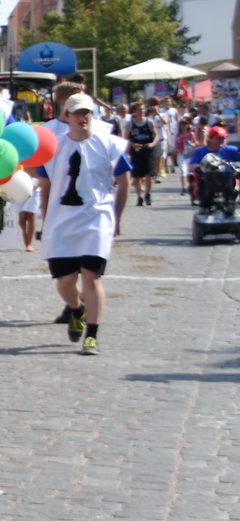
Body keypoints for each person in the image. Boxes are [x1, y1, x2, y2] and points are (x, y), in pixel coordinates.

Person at [37, 93, 130, 356]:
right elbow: (44, 187)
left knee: (92, 276)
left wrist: (117, 216)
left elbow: (124, 181)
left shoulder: (109, 144)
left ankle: (92, 334)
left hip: (95, 218)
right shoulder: (53, 147)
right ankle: (77, 310)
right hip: (62, 221)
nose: (83, 117)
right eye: (77, 112)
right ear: (66, 116)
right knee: (65, 282)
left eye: (87, 112)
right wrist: (46, 220)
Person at [122, 102, 159, 206]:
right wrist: (133, 145)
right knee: (137, 176)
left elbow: (156, 135)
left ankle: (148, 194)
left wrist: (152, 144)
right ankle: (139, 196)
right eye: (139, 109)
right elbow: (125, 137)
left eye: (143, 109)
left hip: (148, 150)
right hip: (136, 151)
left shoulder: (150, 122)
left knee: (149, 174)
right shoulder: (131, 123)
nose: (142, 111)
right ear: (134, 112)